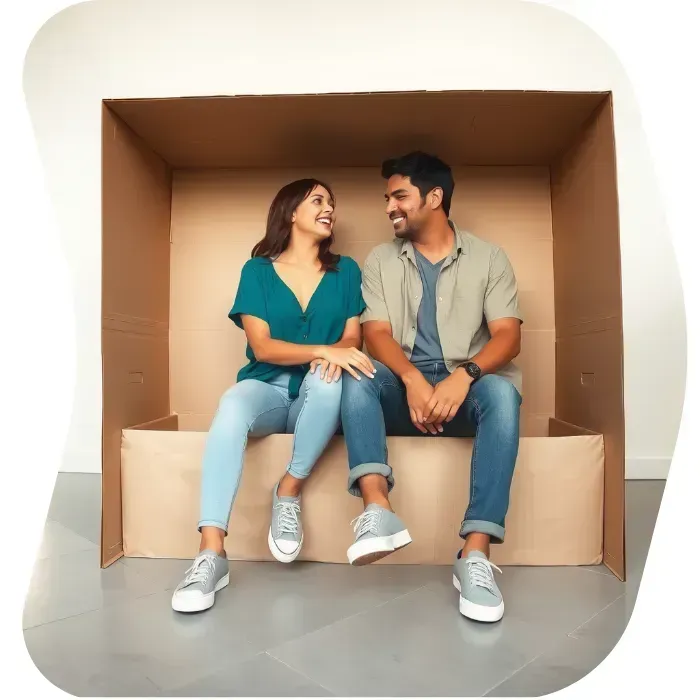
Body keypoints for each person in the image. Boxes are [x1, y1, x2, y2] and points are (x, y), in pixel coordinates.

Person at [172, 178, 375, 613]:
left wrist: (332, 355)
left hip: (318, 397)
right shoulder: (257, 271)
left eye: (332, 203)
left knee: (329, 378)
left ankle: (287, 493)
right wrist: (324, 349)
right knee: (230, 405)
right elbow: (262, 346)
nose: (329, 209)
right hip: (265, 387)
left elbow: (353, 337)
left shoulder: (347, 271)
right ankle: (211, 553)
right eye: (318, 200)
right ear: (290, 212)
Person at [341, 152, 523, 623]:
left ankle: (475, 554)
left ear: (434, 197)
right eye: (387, 198)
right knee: (356, 370)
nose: (388, 207)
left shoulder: (489, 257)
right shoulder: (380, 259)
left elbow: (508, 334)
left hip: (466, 394)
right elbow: (376, 332)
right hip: (405, 392)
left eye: (399, 196)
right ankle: (378, 508)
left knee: (502, 394)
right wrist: (413, 379)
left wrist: (466, 376)